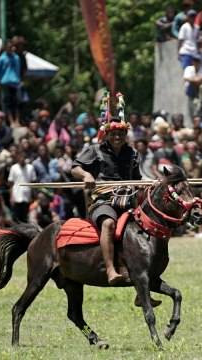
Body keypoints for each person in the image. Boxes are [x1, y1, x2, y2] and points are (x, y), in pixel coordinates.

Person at [71, 113, 141, 285]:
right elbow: (75, 168)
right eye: (113, 134)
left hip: (127, 201)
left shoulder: (132, 153)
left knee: (144, 230)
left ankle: (143, 283)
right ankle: (110, 270)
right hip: (103, 200)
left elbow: (138, 179)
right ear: (107, 134)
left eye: (121, 134)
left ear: (126, 135)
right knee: (108, 224)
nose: (117, 137)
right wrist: (86, 175)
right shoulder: (95, 150)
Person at [0, 41, 22, 127]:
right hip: (5, 82)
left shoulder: (16, 58)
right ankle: (11, 121)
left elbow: (18, 70)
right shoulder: (1, 59)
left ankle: (17, 120)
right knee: (7, 103)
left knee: (16, 103)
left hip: (15, 82)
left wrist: (18, 80)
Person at [7, 151, 37, 223]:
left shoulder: (30, 168)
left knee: (25, 218)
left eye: (23, 157)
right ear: (17, 158)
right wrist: (11, 196)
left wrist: (33, 196)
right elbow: (10, 183)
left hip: (27, 197)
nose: (22, 159)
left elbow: (33, 182)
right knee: (17, 218)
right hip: (17, 196)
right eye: (20, 157)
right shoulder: (13, 168)